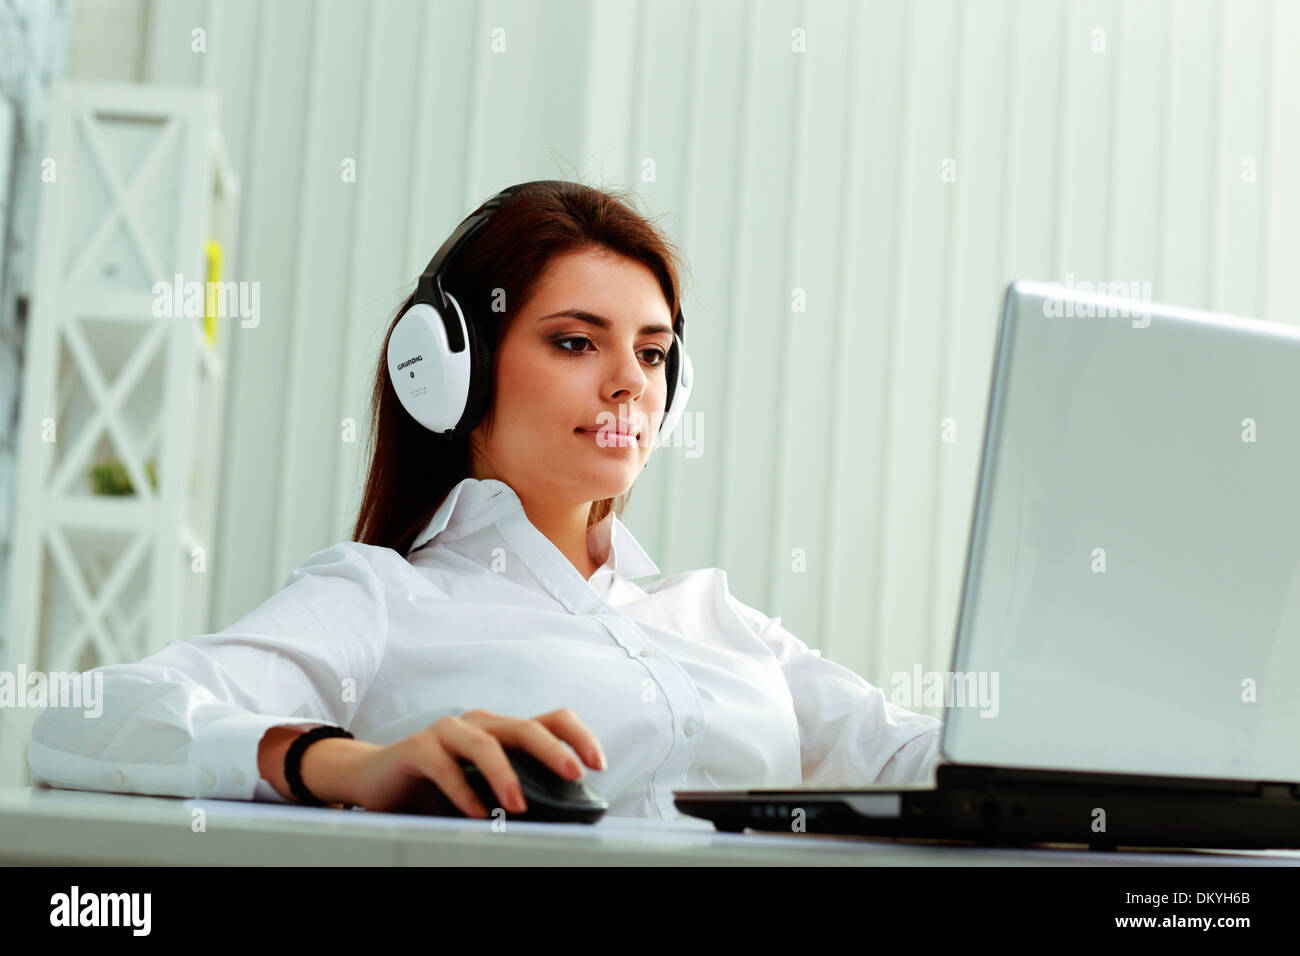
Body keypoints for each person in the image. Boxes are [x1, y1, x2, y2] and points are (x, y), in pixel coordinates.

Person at [27, 180, 942, 820]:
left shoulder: (721, 621)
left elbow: (921, 760)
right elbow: (87, 719)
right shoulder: (384, 600)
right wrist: (348, 764)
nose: (631, 382)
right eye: (578, 343)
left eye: (655, 353)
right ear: (449, 375)